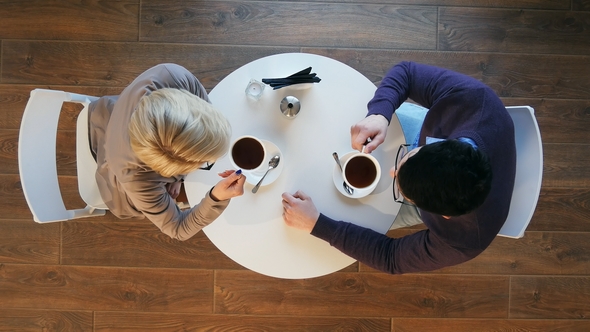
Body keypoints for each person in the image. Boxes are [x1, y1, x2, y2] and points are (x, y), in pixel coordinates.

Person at [282, 61, 516, 274]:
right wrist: (379, 115)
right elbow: (406, 73)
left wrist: (317, 224)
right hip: (432, 129)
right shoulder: (476, 100)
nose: (392, 172)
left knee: (345, 215)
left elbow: (390, 257)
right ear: (442, 142)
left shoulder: (465, 240)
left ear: (444, 215)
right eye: (408, 155)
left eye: (403, 191)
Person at [89, 63, 245, 240]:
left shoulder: (174, 76)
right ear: (173, 168)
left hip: (117, 118)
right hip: (117, 170)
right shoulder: (136, 180)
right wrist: (216, 198)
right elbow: (177, 229)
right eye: (205, 161)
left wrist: (178, 177)